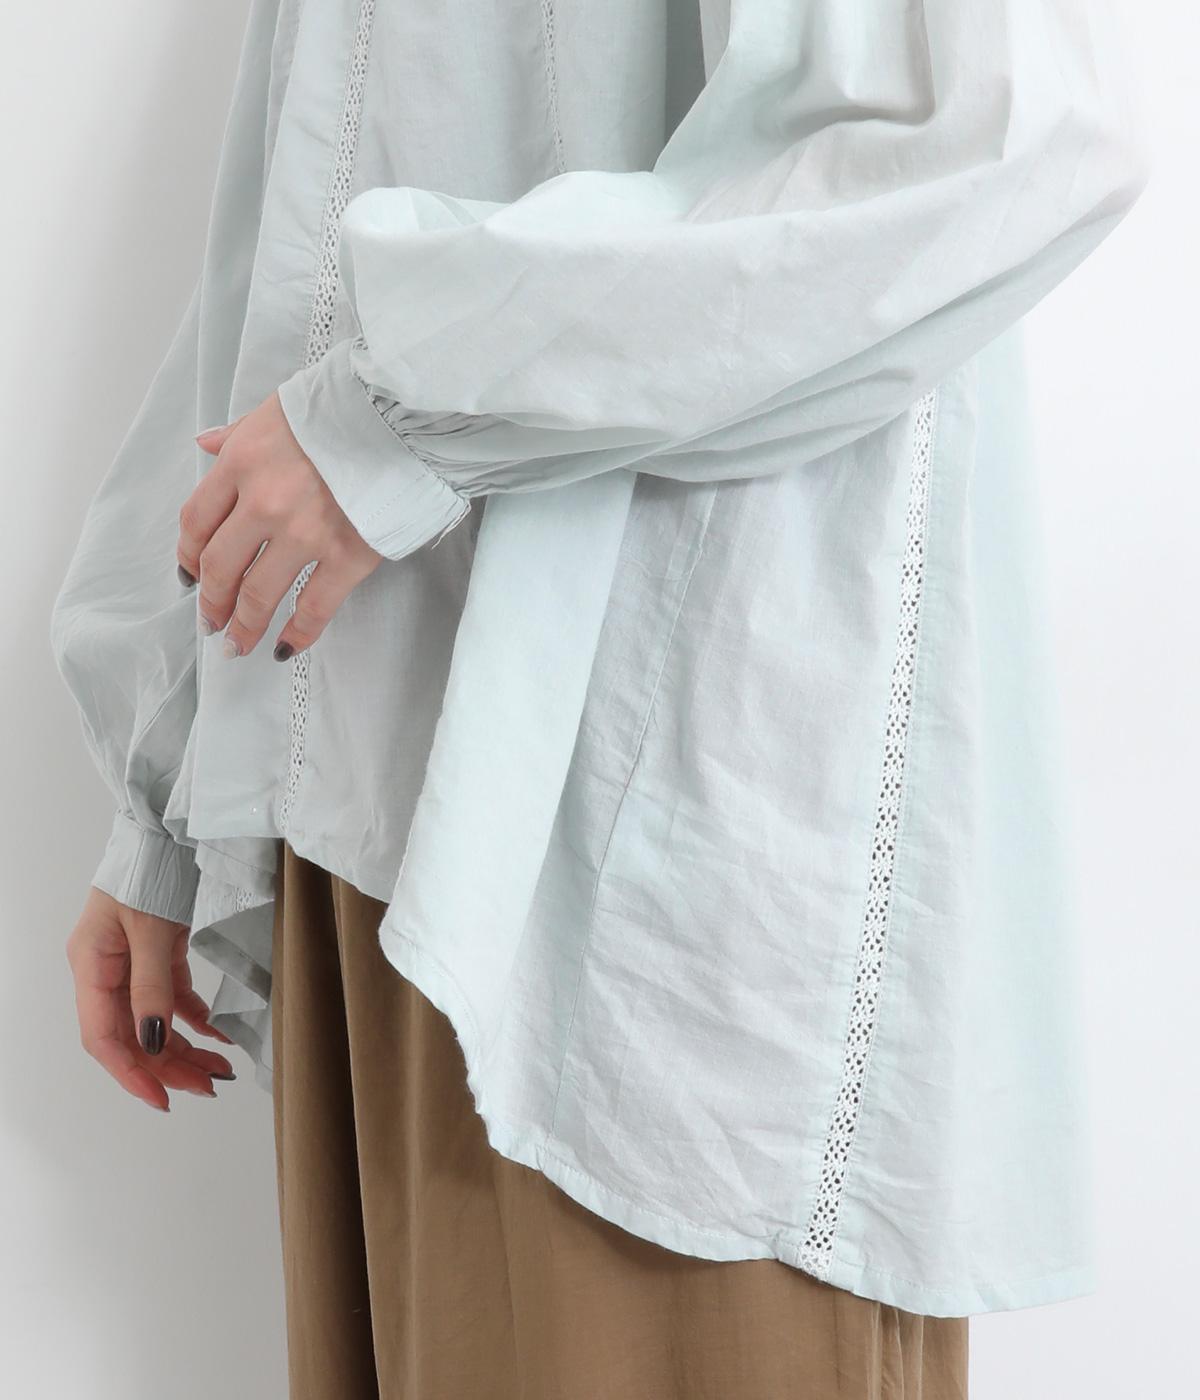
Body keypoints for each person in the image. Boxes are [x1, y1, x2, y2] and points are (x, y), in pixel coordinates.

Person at [50, 0, 1148, 1395]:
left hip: (655, 875)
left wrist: (392, 421)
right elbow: (290, 222)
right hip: (362, 796)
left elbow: (1000, 135)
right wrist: (170, 780)